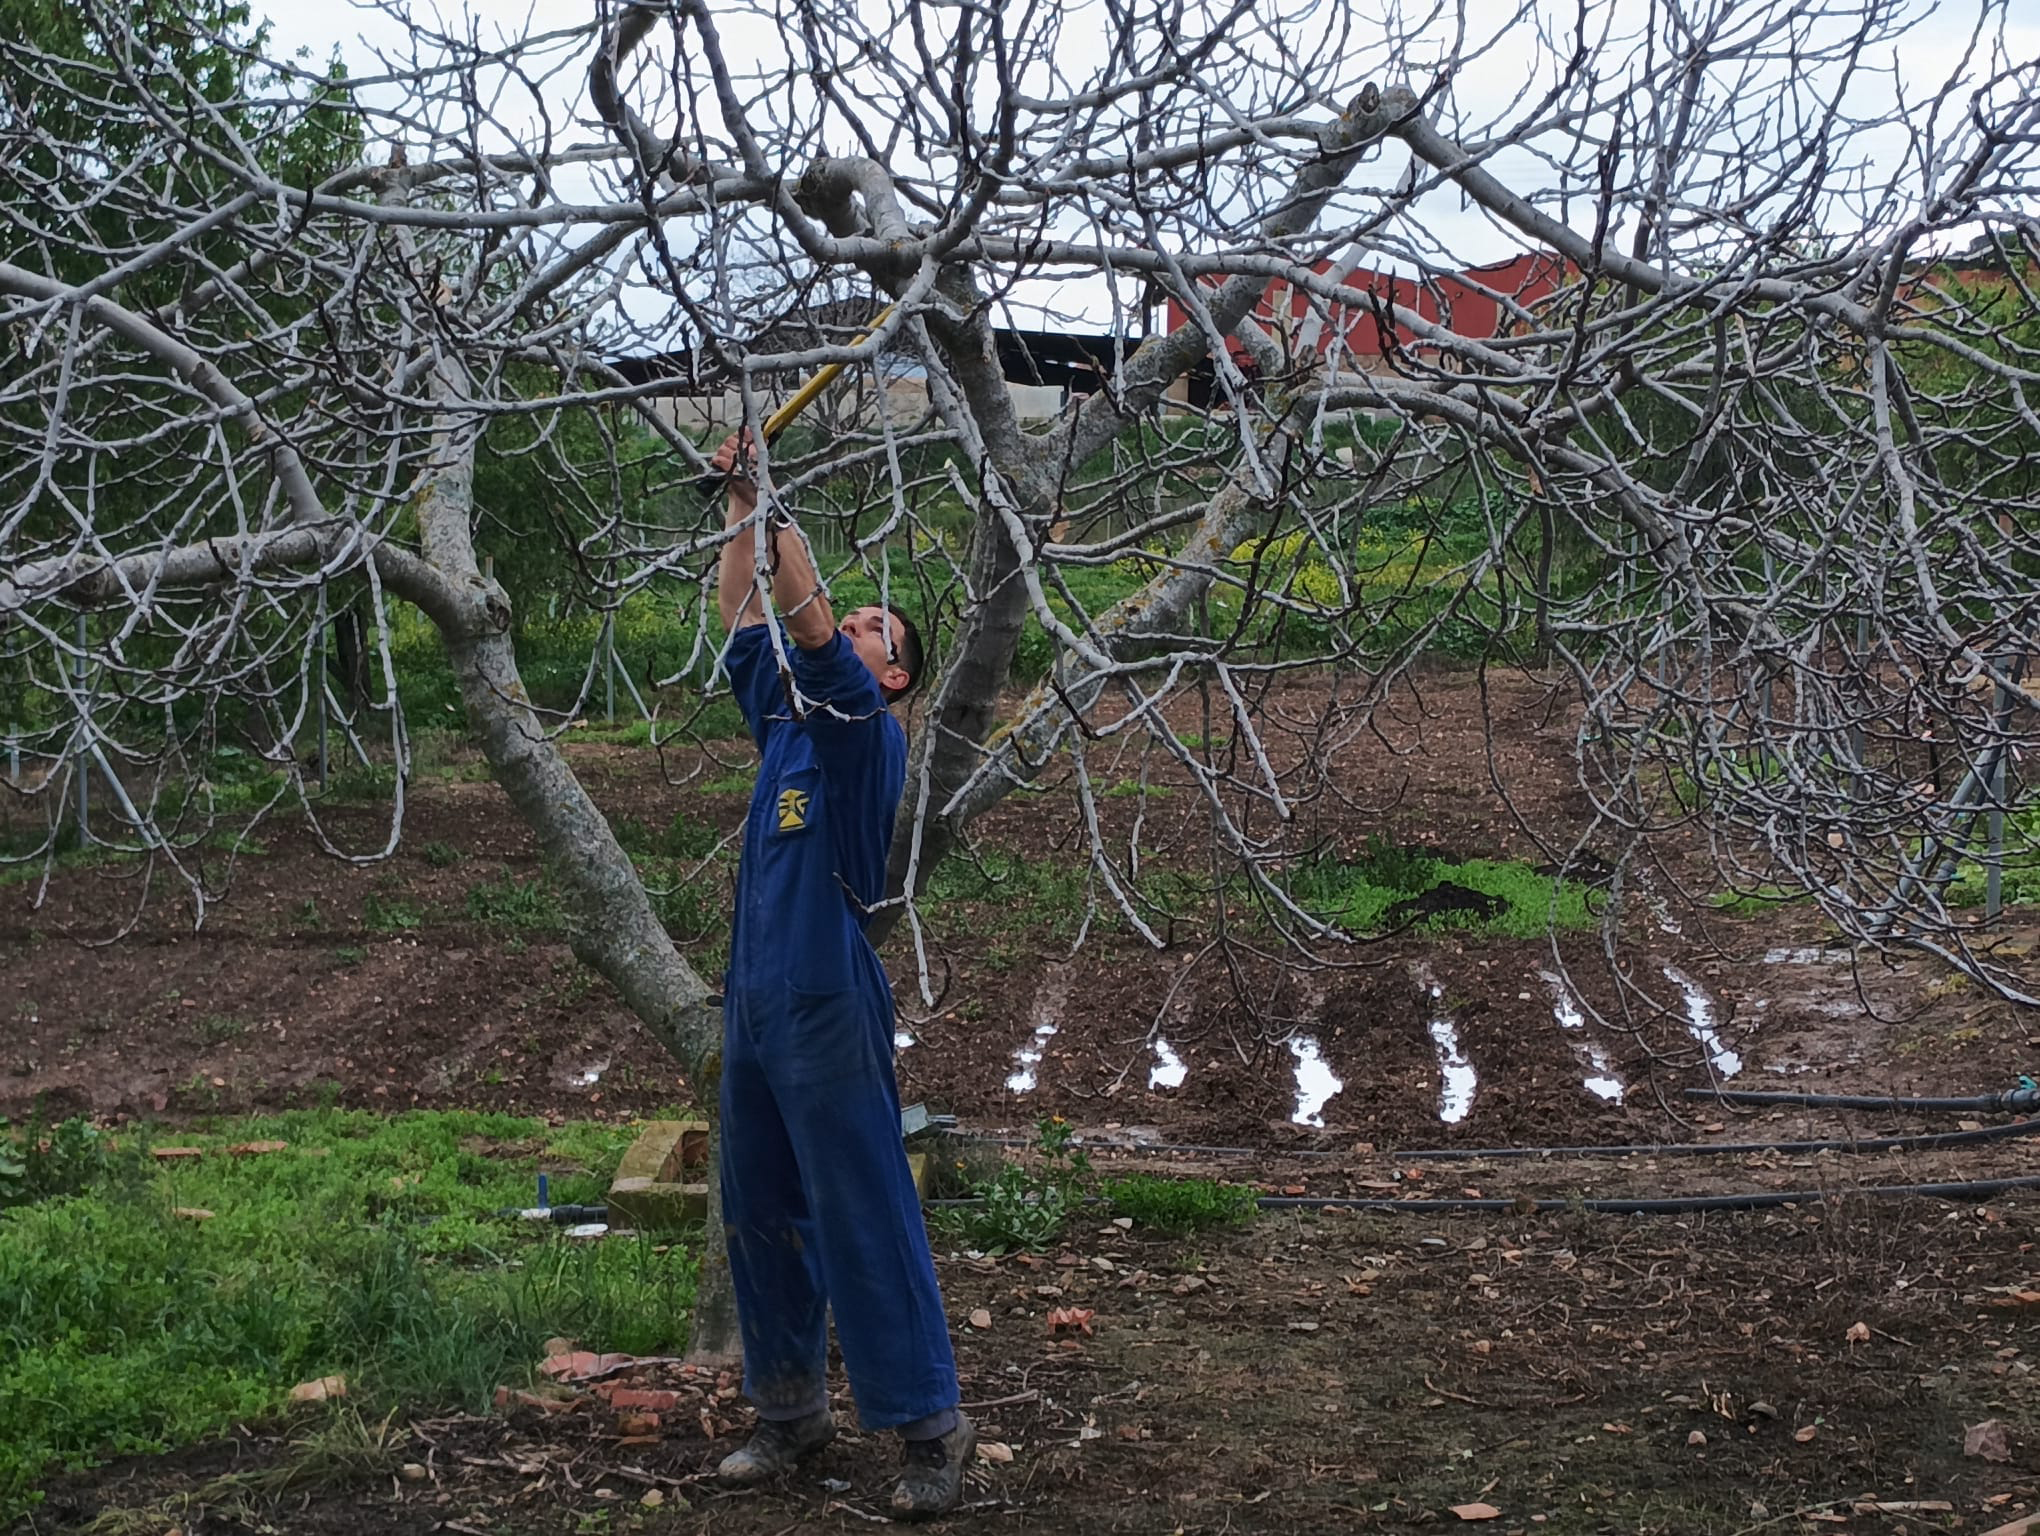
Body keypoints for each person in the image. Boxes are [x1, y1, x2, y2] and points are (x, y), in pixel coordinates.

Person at [705, 431, 973, 1519]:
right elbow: (744, 624)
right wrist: (737, 505)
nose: (852, 626)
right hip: (759, 1002)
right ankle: (789, 1416)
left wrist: (777, 512)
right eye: (853, 615)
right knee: (762, 1208)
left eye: (877, 628)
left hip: (826, 999)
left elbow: (806, 627)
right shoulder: (786, 726)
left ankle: (928, 1428)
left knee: (861, 1209)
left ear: (894, 673)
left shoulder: (864, 728)